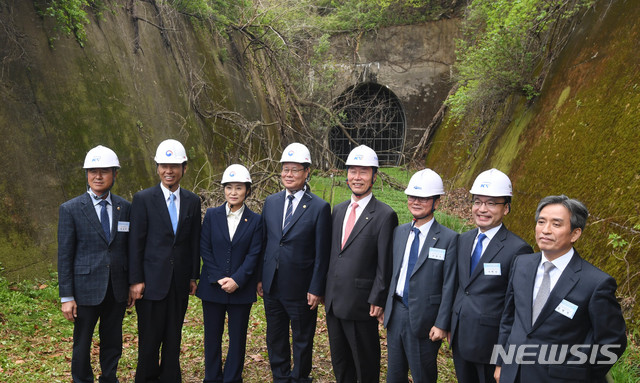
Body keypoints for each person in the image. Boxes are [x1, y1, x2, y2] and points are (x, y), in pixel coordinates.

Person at [494, 195, 627, 383]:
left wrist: (579, 373)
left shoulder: (595, 283)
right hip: (512, 373)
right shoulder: (522, 263)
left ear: (575, 233)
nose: (545, 230)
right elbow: (509, 318)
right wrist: (501, 362)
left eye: (556, 224)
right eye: (541, 222)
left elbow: (613, 341)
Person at [128, 139, 202, 382]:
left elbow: (193, 241)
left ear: (184, 168)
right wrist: (136, 279)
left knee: (173, 337)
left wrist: (193, 275)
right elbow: (136, 242)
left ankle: (170, 377)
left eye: (174, 166)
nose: (168, 171)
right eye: (163, 165)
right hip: (150, 283)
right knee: (149, 339)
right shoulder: (143, 199)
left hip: (179, 282)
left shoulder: (192, 201)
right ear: (157, 167)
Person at [258, 142, 332, 383]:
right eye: (285, 169)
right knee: (275, 333)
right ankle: (280, 376)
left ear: (307, 172)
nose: (288, 175)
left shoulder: (319, 207)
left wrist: (316, 287)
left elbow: (322, 252)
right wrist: (261, 276)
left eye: (295, 170)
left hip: (301, 287)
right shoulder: (271, 202)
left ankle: (300, 377)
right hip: (272, 284)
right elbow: (266, 242)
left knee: (302, 336)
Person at [450, 168, 533, 383]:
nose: (482, 209)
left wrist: (504, 357)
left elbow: (514, 308)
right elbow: (462, 288)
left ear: (506, 208)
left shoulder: (518, 249)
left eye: (491, 203)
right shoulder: (464, 240)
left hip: (490, 345)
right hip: (461, 337)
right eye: (477, 202)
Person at [324, 145, 398, 383]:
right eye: (353, 171)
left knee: (364, 363)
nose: (357, 177)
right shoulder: (338, 210)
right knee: (341, 362)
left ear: (374, 177)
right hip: (334, 301)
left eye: (363, 172)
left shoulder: (385, 215)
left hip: (362, 303)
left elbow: (385, 262)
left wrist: (378, 297)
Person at [57, 145, 131, 383]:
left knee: (112, 339)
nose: (98, 176)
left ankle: (109, 377)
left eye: (104, 171)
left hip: (116, 287)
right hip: (85, 289)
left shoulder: (125, 208)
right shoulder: (71, 209)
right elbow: (65, 255)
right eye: (92, 171)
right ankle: (82, 379)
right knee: (83, 341)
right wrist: (66, 297)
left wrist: (131, 283)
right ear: (87, 174)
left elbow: (128, 249)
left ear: (115, 174)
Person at [383, 169, 458, 383]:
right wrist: (385, 306)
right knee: (394, 375)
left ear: (436, 202)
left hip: (427, 319)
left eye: (423, 198)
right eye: (412, 197)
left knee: (423, 375)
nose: (416, 202)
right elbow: (393, 272)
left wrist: (442, 323)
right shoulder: (399, 232)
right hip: (397, 313)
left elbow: (449, 284)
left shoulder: (448, 239)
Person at [196, 164, 262, 383]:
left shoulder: (255, 220)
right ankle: (212, 378)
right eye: (229, 187)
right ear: (223, 189)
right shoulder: (212, 215)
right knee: (212, 337)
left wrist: (237, 280)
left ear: (247, 191)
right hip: (213, 287)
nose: (233, 192)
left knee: (237, 338)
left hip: (240, 290)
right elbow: (204, 247)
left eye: (239, 188)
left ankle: (232, 378)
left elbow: (254, 254)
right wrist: (217, 277)